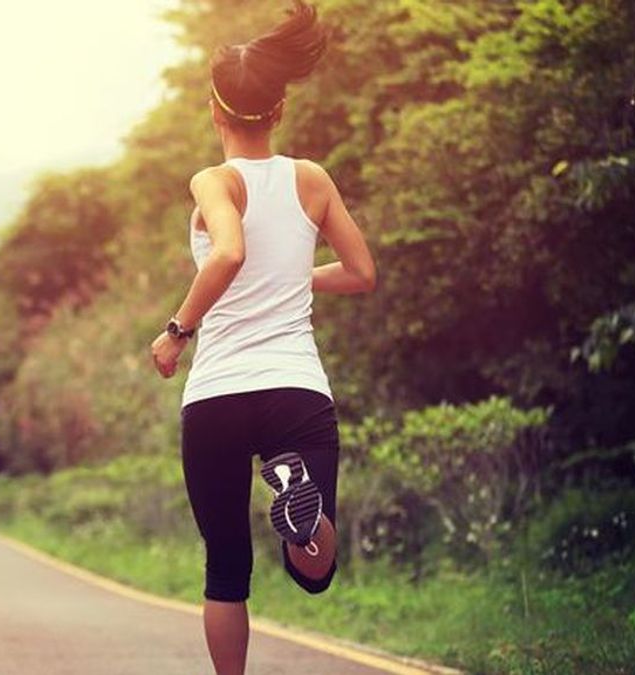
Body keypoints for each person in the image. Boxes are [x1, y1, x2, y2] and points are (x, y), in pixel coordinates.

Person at [149, 2, 376, 673]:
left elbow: (227, 253)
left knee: (225, 566)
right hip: (296, 390)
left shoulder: (213, 181)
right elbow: (363, 273)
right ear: (279, 111)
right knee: (312, 571)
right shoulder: (312, 179)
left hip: (218, 393)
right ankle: (299, 504)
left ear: (215, 112)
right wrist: (297, 280)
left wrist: (175, 332)